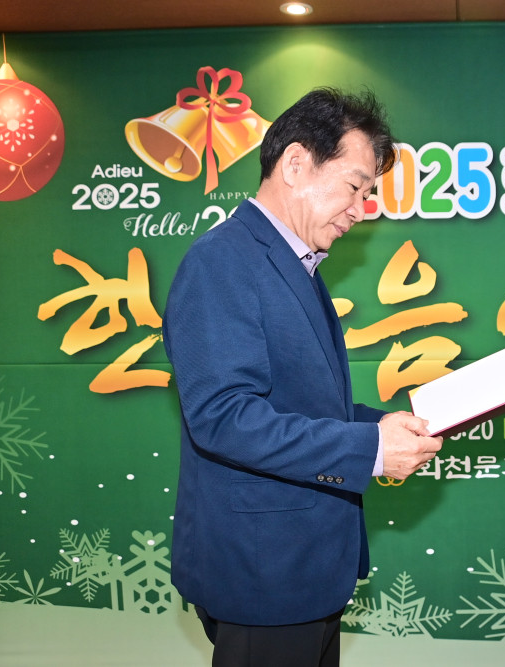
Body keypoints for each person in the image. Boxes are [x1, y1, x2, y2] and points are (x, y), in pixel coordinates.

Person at [162, 87, 444, 666]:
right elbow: (225, 417)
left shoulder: (296, 264)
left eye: (368, 194)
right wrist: (370, 449)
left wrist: (385, 424)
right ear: (295, 163)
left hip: (305, 569)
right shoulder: (223, 260)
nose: (361, 210)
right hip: (263, 574)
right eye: (354, 187)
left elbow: (303, 403)